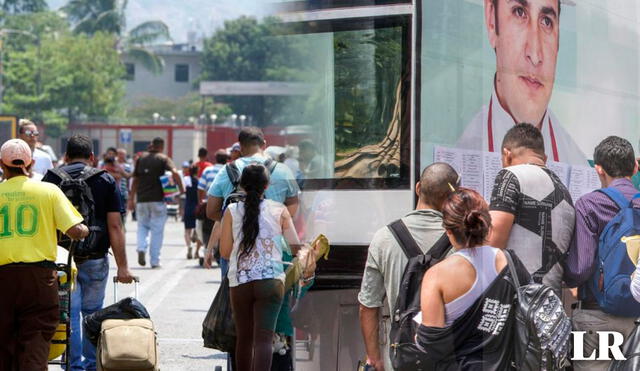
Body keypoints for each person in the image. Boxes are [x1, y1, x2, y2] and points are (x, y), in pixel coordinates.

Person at [43, 134, 135, 370]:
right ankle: (92, 364)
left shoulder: (52, 178)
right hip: (95, 258)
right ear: (92, 157)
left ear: (65, 156)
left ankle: (73, 367)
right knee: (93, 314)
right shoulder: (105, 180)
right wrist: (123, 267)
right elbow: (115, 225)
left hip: (62, 259)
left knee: (69, 316)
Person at [456, 0, 587, 166]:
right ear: (491, 20)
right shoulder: (462, 155)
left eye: (547, 21)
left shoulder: (577, 163)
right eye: (519, 12)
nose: (534, 54)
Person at [358, 162, 459, 371]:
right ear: (452, 198)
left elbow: (368, 305)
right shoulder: (459, 240)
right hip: (448, 356)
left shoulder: (384, 238)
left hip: (398, 355)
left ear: (418, 188)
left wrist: (374, 357)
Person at [416, 187, 530, 369]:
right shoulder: (511, 263)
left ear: (448, 231)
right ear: (487, 223)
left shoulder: (437, 276)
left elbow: (431, 344)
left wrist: (417, 336)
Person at [0, 139, 89, 370]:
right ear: (30, 163)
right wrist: (84, 229)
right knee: (37, 336)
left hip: (2, 279)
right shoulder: (48, 191)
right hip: (39, 279)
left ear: (2, 164)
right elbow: (75, 230)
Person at [219, 164, 308, 371]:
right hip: (271, 281)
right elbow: (295, 247)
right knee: (264, 339)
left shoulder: (231, 211)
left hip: (240, 281)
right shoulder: (279, 210)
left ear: (241, 185)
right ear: (267, 186)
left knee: (244, 338)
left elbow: (224, 252)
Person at [563, 136, 639, 371]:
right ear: (635, 167)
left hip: (597, 318)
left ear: (599, 169)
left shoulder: (590, 204)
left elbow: (581, 267)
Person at [487, 123, 574, 294]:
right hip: (550, 304)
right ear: (544, 158)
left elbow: (493, 242)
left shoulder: (510, 175)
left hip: (514, 298)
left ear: (507, 154)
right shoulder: (565, 192)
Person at [128, 137, 184, 268]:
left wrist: (131, 199)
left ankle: (141, 248)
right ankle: (155, 261)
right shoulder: (163, 158)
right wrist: (181, 189)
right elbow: (175, 173)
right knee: (157, 231)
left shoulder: (141, 158)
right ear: (162, 146)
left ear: (152, 145)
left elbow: (135, 179)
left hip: (142, 200)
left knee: (142, 226)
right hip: (158, 200)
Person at [200, 149, 228, 267]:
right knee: (224, 230)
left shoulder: (208, 170)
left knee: (207, 230)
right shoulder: (228, 170)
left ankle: (209, 249)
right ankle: (218, 253)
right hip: (225, 206)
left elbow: (201, 187)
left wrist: (201, 202)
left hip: (209, 205)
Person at [183, 164, 202, 259]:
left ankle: (189, 246)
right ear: (197, 171)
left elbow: (183, 191)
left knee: (187, 230)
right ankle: (196, 252)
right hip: (197, 207)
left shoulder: (186, 180)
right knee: (198, 229)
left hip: (188, 206)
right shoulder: (199, 181)